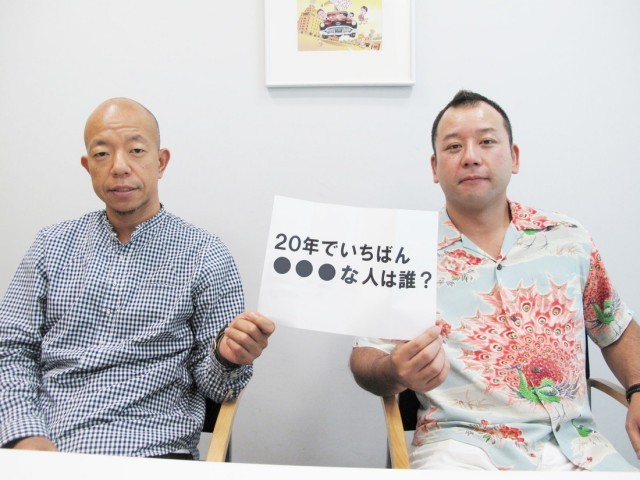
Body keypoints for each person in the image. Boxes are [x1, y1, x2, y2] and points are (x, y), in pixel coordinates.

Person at [350, 90, 640, 471]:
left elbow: (615, 329)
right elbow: (364, 356)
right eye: (454, 146)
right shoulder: (407, 253)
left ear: (514, 157)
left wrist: (638, 389)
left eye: (486, 141)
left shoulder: (568, 239)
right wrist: (393, 371)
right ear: (435, 167)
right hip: (460, 449)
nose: (471, 156)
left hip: (577, 448)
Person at [0, 98, 275, 459]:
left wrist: (229, 358)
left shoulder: (205, 254)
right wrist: (25, 437)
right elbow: (10, 350)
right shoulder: (50, 245)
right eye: (102, 154)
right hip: (49, 450)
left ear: (160, 162)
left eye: (136, 150)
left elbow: (219, 388)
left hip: (155, 451)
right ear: (87, 166)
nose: (118, 167)